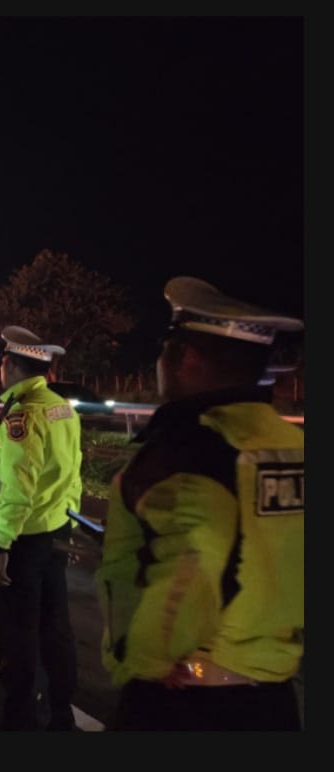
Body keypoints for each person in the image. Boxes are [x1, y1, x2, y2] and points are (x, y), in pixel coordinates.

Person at [95, 276, 304, 731]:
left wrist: (146, 661)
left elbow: (193, 560)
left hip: (187, 698)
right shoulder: (291, 444)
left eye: (163, 352)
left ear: (184, 359)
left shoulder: (188, 447)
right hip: (276, 701)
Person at [0, 325, 81, 731]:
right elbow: (73, 472)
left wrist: (0, 542)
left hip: (23, 541)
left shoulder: (22, 415)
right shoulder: (62, 407)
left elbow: (19, 486)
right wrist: (69, 526)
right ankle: (61, 715)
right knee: (55, 630)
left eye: (4, 362)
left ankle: (19, 721)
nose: (1, 369)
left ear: (11, 365)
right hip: (55, 533)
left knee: (18, 637)